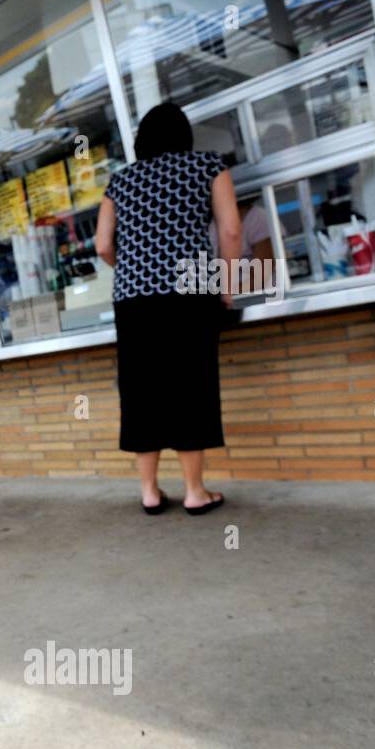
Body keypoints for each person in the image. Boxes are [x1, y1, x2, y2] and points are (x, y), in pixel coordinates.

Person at [95, 102, 241, 517]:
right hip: (190, 290)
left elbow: (104, 245)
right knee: (189, 386)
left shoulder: (119, 182)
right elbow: (231, 230)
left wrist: (135, 272)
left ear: (141, 139)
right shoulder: (208, 166)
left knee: (143, 391)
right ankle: (195, 491)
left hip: (133, 299)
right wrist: (226, 289)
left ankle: (150, 492)